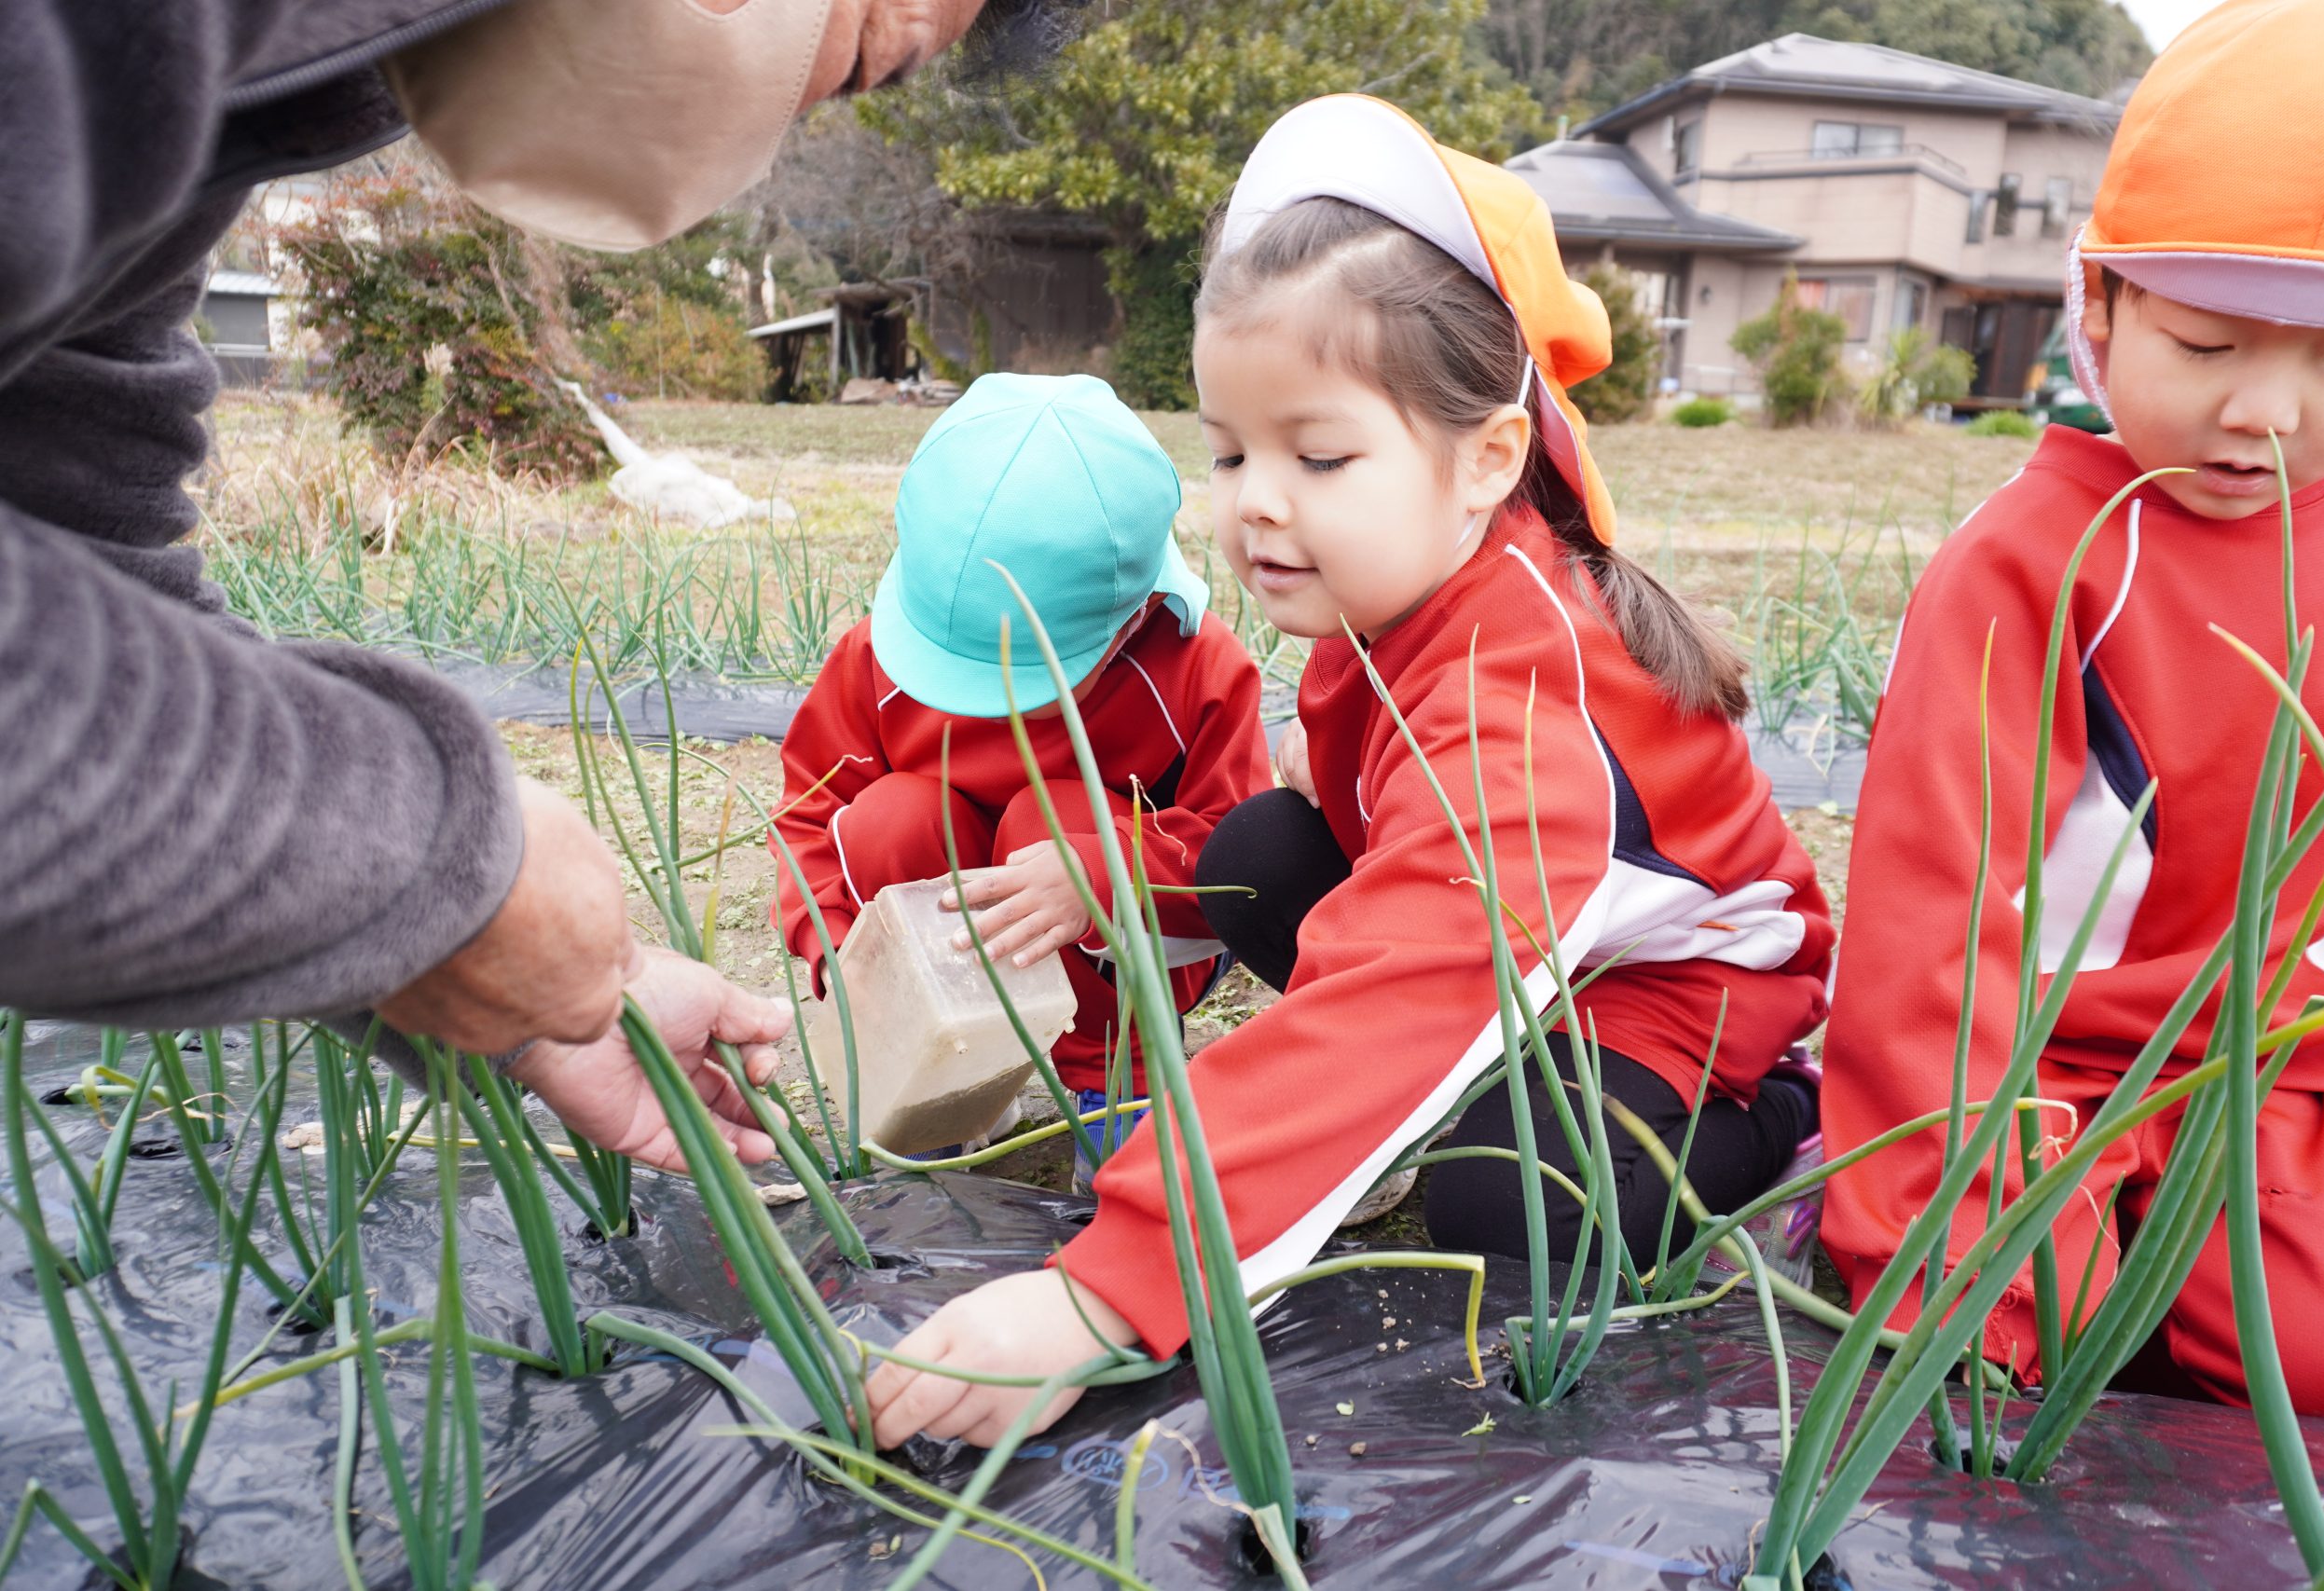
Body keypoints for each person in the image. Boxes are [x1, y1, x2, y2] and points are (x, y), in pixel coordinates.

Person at [864, 95, 1836, 1448]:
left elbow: (1407, 978)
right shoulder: (1386, 596)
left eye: (1317, 454)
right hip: (1511, 929)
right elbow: (1372, 869)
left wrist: (1109, 1288)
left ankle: (1780, 1122)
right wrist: (1108, 879)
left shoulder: (1518, 690)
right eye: (1229, 449)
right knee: (1256, 850)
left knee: (1510, 1195)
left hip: (1682, 991)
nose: (1259, 498)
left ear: (1489, 457)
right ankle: (1457, 1106)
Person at [0, 0, 1055, 1156]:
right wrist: (424, 870)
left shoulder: (230, 91)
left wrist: (525, 1004)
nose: (794, 114)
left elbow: (83, 541)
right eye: (857, 60)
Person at [1821, 0, 2324, 1417]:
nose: (2269, 409)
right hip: (2038, 1054)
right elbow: (1934, 924)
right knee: (2011, 1319)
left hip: (2271, 1062)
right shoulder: (2035, 564)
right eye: (2204, 344)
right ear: (2103, 304)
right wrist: (1945, 1232)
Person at [770, 373, 1269, 1157]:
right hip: (953, 938)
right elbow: (811, 814)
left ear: (1128, 619)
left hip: (1136, 945)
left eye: (1021, 682)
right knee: (891, 818)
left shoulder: (1196, 669)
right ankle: (954, 1083)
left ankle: (1118, 1084)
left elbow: (1236, 868)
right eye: (952, 667)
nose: (981, 706)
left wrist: (1097, 877)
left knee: (1055, 823)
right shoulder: (876, 655)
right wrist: (832, 943)